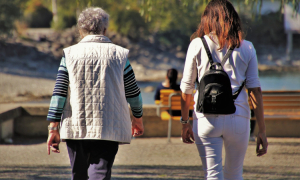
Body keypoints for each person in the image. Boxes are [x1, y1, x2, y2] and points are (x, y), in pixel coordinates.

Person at [46, 7, 144, 180]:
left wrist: (53, 128)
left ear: (80, 30)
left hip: (76, 126)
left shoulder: (69, 54)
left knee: (79, 175)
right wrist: (137, 118)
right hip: (108, 126)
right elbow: (133, 92)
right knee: (100, 174)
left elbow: (59, 92)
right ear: (105, 30)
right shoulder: (120, 55)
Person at [180, 0, 268, 179]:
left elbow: (187, 88)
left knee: (212, 174)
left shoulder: (197, 45)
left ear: (207, 19)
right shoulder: (247, 47)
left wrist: (184, 122)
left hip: (206, 117)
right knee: (234, 174)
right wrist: (262, 130)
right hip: (239, 117)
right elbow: (255, 91)